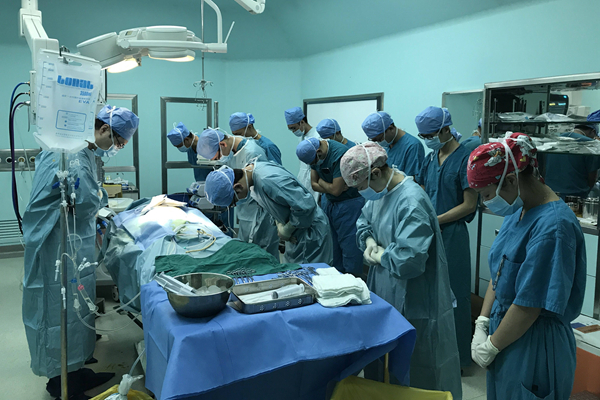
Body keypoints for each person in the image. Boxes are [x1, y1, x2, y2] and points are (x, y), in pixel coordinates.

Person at [22, 104, 139, 399]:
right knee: (58, 311)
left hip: (73, 242)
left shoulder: (83, 152)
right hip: (55, 246)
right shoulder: (70, 155)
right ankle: (60, 379)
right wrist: (101, 208)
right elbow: (84, 200)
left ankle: (75, 368)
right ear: (103, 129)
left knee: (78, 307)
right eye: (118, 141)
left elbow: (83, 197)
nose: (116, 148)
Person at [467, 133, 586, 400]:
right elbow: (500, 272)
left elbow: (530, 304)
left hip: (535, 344)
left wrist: (492, 346)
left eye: (487, 195)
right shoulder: (519, 210)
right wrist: (483, 321)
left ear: (511, 180)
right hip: (507, 334)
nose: (485, 202)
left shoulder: (554, 227)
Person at [341, 142, 462, 399]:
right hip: (385, 288)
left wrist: (383, 255)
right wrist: (369, 240)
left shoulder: (411, 201)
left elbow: (410, 260)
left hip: (416, 297)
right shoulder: (381, 193)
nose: (362, 193)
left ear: (375, 172)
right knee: (383, 360)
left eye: (361, 187)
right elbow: (364, 220)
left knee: (418, 366)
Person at [415, 106, 478, 369]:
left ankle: (460, 358)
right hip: (430, 233)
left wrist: (436, 220)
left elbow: (469, 205)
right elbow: (421, 189)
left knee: (456, 295)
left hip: (453, 235)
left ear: (445, 130)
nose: (426, 140)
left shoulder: (466, 159)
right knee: (431, 293)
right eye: (423, 136)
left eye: (429, 135)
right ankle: (435, 353)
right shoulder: (431, 158)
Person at [204, 162, 333, 264]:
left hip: (309, 232)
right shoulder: (252, 174)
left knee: (311, 278)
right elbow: (278, 202)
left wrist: (287, 229)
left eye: (234, 202)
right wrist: (279, 223)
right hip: (298, 233)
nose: (236, 204)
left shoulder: (268, 180)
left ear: (238, 187)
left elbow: (306, 206)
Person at [196, 128, 279, 257]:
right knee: (247, 253)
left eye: (217, 157)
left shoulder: (253, 152)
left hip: (261, 213)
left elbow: (261, 187)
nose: (220, 160)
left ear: (222, 144)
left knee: (264, 254)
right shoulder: (231, 152)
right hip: (246, 210)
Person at [296, 137, 364, 275]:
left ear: (319, 152)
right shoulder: (313, 156)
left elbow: (336, 190)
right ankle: (336, 279)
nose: (314, 166)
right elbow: (314, 185)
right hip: (329, 203)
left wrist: (322, 183)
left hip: (349, 205)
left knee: (350, 248)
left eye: (313, 163)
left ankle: (353, 281)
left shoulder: (340, 155)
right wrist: (330, 186)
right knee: (333, 247)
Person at [544, 121, 600, 200]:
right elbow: (592, 178)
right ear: (593, 132)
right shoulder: (590, 144)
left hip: (550, 193)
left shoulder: (554, 140)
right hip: (575, 195)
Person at [361, 111, 424, 177]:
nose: (379, 142)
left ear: (390, 128)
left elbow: (412, 178)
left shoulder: (413, 146)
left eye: (379, 139)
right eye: (375, 140)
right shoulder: (387, 144)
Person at [284, 107, 320, 202]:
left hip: (316, 178)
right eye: (291, 129)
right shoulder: (301, 137)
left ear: (302, 122)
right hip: (303, 177)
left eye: (294, 128)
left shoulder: (317, 136)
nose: (293, 131)